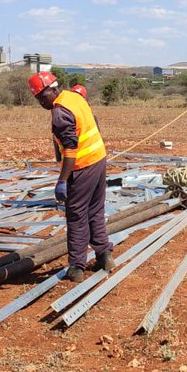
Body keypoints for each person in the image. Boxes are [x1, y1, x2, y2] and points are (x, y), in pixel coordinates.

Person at [28, 71, 114, 280]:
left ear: (54, 89)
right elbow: (92, 121)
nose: (41, 102)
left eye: (43, 96)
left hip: (82, 166)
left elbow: (70, 150)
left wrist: (62, 180)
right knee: (95, 209)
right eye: (38, 98)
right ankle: (104, 255)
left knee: (76, 216)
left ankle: (77, 267)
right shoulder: (73, 96)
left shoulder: (60, 113)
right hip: (98, 159)